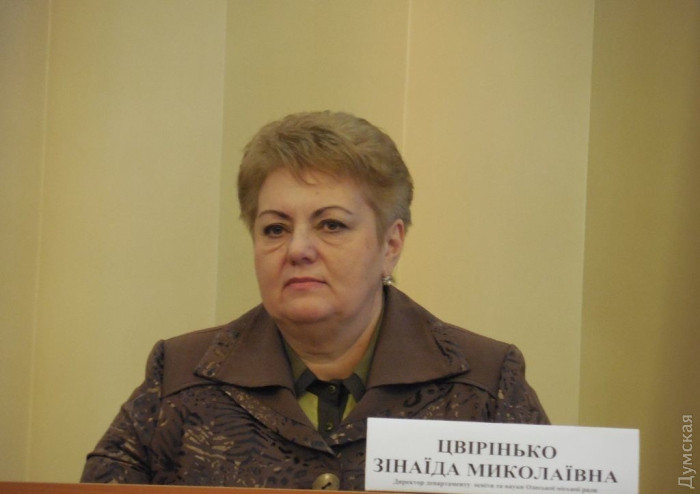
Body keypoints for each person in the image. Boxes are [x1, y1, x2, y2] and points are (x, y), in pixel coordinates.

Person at [81, 111, 548, 489]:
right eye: (275, 228)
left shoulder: (483, 383)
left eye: (331, 225)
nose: (298, 249)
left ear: (390, 244)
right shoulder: (181, 377)